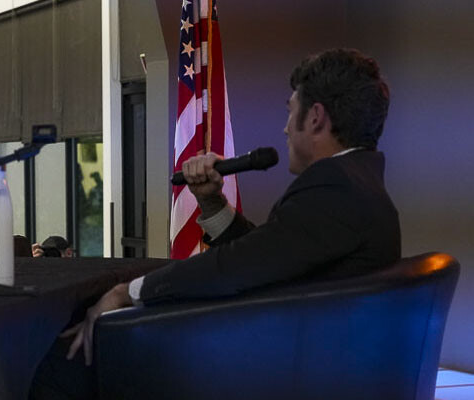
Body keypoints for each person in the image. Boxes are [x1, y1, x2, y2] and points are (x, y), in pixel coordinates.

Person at [30, 48, 400, 398]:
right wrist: (210, 200)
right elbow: (269, 253)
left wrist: (128, 291)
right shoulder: (357, 182)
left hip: (277, 369)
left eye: (290, 111)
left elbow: (238, 267)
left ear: (315, 117)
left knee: (64, 360)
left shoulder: (335, 187)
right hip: (304, 358)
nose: (286, 129)